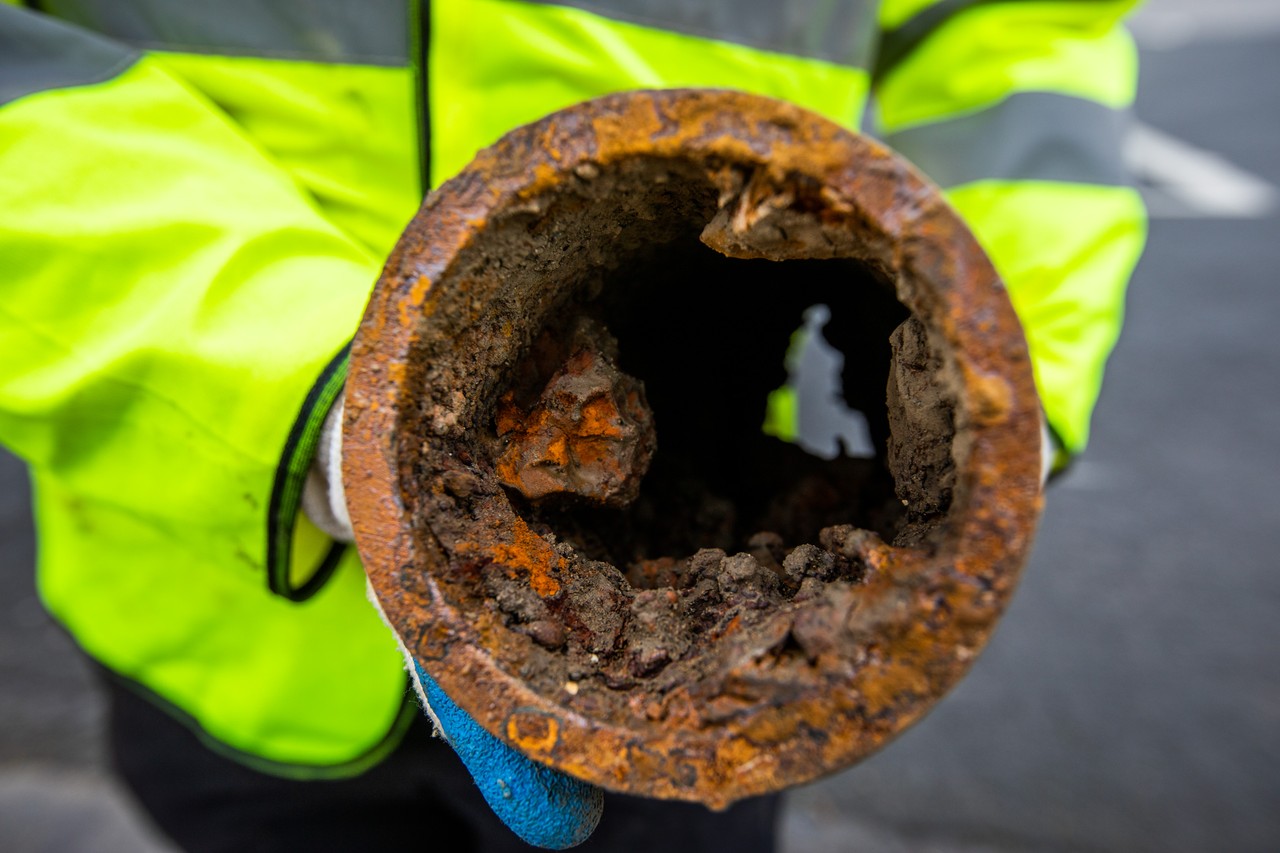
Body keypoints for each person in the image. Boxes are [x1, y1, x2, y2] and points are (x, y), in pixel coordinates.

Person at [0, 1, 1146, 850]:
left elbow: (1016, 41)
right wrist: (305, 395)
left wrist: (1003, 365)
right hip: (228, 623)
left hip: (686, 677)